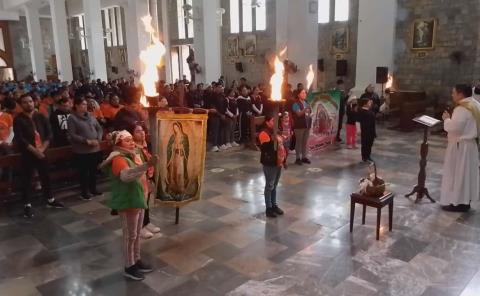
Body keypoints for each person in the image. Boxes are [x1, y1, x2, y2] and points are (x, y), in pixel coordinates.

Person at [99, 130, 157, 281]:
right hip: (128, 201)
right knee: (129, 236)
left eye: (132, 139)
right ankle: (129, 266)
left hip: (138, 198)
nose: (132, 142)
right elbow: (126, 176)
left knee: (137, 234)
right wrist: (146, 166)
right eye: (128, 140)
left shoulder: (132, 154)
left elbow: (142, 172)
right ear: (118, 144)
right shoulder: (118, 158)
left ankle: (136, 260)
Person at [13, 94, 65, 218]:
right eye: (25, 102)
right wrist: (34, 150)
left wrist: (42, 148)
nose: (28, 104)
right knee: (27, 179)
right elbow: (20, 139)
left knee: (45, 176)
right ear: (21, 105)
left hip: (42, 151)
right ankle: (27, 204)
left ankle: (50, 199)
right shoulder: (18, 119)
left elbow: (49, 134)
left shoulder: (40, 116)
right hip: (28, 153)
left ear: (34, 102)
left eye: (30, 101)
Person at [440, 84, 480, 212]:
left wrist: (446, 119)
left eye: (453, 93)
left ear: (461, 94)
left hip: (460, 146)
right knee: (467, 174)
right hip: (471, 145)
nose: (452, 95)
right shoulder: (476, 104)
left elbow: (454, 128)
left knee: (458, 174)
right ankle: (465, 200)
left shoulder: (462, 109)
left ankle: (457, 203)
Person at [128, 123, 162, 239]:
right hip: (139, 180)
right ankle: (140, 227)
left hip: (147, 178)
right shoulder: (132, 149)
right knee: (140, 204)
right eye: (138, 131)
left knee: (146, 202)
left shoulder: (145, 146)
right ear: (132, 135)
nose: (142, 133)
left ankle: (147, 222)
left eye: (142, 130)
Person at [68, 97, 104, 200]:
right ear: (77, 106)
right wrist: (86, 141)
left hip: (95, 148)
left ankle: (93, 189)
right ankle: (84, 192)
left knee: (93, 170)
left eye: (85, 104)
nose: (85, 106)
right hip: (82, 150)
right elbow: (72, 134)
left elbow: (99, 128)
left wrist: (99, 138)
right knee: (84, 172)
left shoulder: (91, 116)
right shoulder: (72, 118)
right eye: (83, 104)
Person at [258, 115, 286, 218]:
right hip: (269, 162)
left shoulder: (276, 131)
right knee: (269, 185)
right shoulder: (264, 133)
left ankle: (274, 205)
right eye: (273, 120)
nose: (275, 122)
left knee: (275, 185)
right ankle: (268, 208)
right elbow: (265, 148)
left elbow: (281, 144)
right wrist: (273, 141)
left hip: (278, 161)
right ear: (267, 122)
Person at [292, 89, 312, 165]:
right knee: (299, 142)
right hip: (299, 125)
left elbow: (308, 113)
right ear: (298, 95)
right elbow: (299, 114)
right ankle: (297, 158)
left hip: (307, 124)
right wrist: (305, 109)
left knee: (305, 142)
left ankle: (304, 157)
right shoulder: (295, 104)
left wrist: (310, 112)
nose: (304, 94)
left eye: (305, 93)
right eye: (302, 93)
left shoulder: (306, 102)